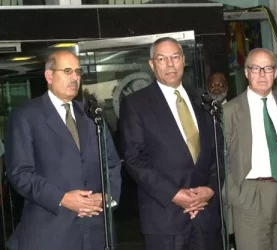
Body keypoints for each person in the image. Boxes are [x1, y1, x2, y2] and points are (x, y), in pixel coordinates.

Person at [5, 50, 121, 250]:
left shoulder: (92, 115)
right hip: (51, 234)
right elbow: (20, 174)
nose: (74, 77)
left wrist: (105, 197)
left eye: (77, 72)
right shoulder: (26, 116)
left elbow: (111, 164)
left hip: (96, 232)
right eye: (67, 71)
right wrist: (63, 198)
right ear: (49, 76)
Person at [120, 37, 224, 250]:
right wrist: (175, 195)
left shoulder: (202, 100)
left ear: (183, 60)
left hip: (205, 216)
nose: (170, 64)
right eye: (162, 58)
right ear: (152, 64)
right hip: (165, 218)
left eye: (175, 57)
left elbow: (218, 151)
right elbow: (134, 159)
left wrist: (210, 189)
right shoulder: (136, 103)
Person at [223, 48, 277, 250]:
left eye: (267, 68)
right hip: (251, 196)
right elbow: (222, 160)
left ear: (275, 73)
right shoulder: (231, 110)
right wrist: (236, 196)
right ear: (246, 73)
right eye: (256, 68)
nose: (262, 74)